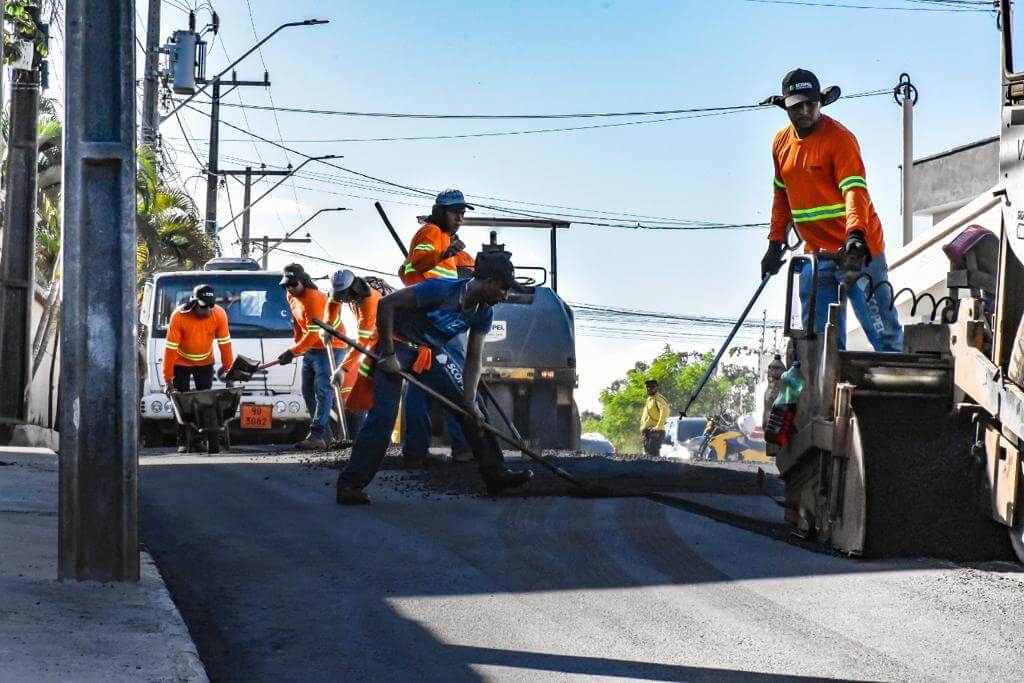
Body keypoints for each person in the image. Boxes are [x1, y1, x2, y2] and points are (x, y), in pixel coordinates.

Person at [336, 250, 533, 505]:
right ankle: (350, 484)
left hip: (428, 353)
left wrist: (470, 400)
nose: (505, 295)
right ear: (491, 281)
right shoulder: (440, 290)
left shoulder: (484, 312)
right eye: (504, 288)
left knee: (474, 410)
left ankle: (496, 475)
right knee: (383, 418)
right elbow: (386, 305)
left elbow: (473, 359)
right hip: (397, 345)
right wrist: (388, 354)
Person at [762, 68, 903, 352]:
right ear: (785, 107)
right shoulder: (780, 143)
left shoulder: (840, 139)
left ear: (821, 102)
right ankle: (822, 393)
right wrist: (775, 243)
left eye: (810, 104)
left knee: (884, 334)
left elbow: (854, 192)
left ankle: (899, 389)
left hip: (859, 252)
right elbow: (781, 196)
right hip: (817, 255)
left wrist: (855, 235)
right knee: (817, 343)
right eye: (797, 106)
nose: (805, 111)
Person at [398, 188, 477, 465]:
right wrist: (445, 252)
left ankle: (415, 449)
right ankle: (464, 447)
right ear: (441, 212)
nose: (460, 218)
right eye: (455, 213)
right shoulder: (430, 233)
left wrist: (477, 265)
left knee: (421, 383)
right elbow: (416, 264)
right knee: (455, 379)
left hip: (432, 318)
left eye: (462, 214)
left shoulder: (448, 241)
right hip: (438, 319)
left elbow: (466, 270)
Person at [278, 263, 345, 451]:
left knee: (322, 390)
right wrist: (297, 347)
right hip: (311, 349)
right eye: (287, 285)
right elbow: (298, 324)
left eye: (293, 284)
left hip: (331, 347)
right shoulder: (290, 295)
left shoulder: (314, 299)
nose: (290, 288)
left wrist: (293, 351)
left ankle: (316, 434)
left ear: (303, 281)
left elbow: (315, 334)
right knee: (307, 390)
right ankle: (325, 438)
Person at [163, 284, 234, 453]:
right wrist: (167, 379)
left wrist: (229, 373)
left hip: (205, 362)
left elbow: (225, 345)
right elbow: (170, 349)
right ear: (194, 303)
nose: (208, 310)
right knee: (181, 401)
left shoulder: (219, 314)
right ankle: (182, 440)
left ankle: (198, 439)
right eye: (204, 306)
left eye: (211, 305)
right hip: (181, 362)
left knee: (205, 401)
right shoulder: (179, 316)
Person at [327, 269, 390, 438]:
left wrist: (343, 368)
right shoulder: (347, 292)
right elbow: (332, 304)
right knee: (361, 387)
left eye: (342, 296)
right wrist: (328, 326)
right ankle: (359, 438)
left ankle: (371, 439)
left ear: (352, 290)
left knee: (374, 387)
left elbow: (363, 343)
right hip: (373, 339)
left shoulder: (370, 302)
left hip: (391, 340)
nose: (341, 299)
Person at [640, 379, 670, 456]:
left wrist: (658, 426)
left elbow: (665, 412)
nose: (649, 388)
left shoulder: (658, 398)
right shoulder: (650, 399)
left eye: (652, 386)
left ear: (657, 388)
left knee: (653, 456)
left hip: (655, 431)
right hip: (648, 431)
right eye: (647, 387)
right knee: (648, 455)